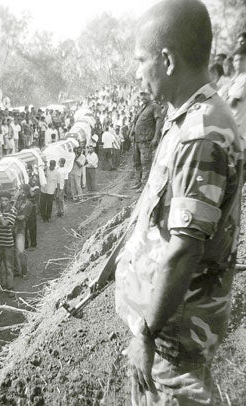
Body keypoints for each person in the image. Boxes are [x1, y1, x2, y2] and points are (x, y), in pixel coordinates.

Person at [113, 1, 244, 404]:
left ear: (166, 60)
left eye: (141, 61)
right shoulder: (186, 118)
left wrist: (147, 334)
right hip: (172, 323)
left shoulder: (200, 135)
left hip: (173, 334)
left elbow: (184, 250)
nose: (137, 73)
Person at [130, 91, 163, 189]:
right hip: (137, 140)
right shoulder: (142, 108)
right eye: (141, 95)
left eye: (145, 95)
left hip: (146, 140)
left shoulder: (154, 106)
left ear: (150, 95)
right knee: (137, 162)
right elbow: (135, 121)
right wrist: (132, 131)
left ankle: (145, 186)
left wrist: (156, 137)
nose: (142, 97)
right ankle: (138, 182)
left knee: (146, 164)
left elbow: (158, 121)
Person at [0, 191, 18, 297]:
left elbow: (5, 223)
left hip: (7, 243)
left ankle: (10, 288)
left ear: (10, 200)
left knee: (9, 267)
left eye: (6, 200)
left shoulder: (13, 210)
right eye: (1, 200)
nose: (3, 202)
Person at [225, 44, 246, 152]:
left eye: (241, 59)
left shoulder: (244, 79)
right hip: (232, 128)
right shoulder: (236, 79)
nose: (238, 63)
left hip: (237, 129)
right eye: (236, 60)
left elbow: (231, 103)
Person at [14, 185, 33, 279]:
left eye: (20, 190)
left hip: (20, 229)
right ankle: (16, 271)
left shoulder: (28, 203)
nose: (18, 192)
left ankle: (24, 271)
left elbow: (22, 217)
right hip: (13, 228)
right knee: (13, 250)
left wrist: (12, 216)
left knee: (21, 251)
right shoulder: (15, 201)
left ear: (24, 192)